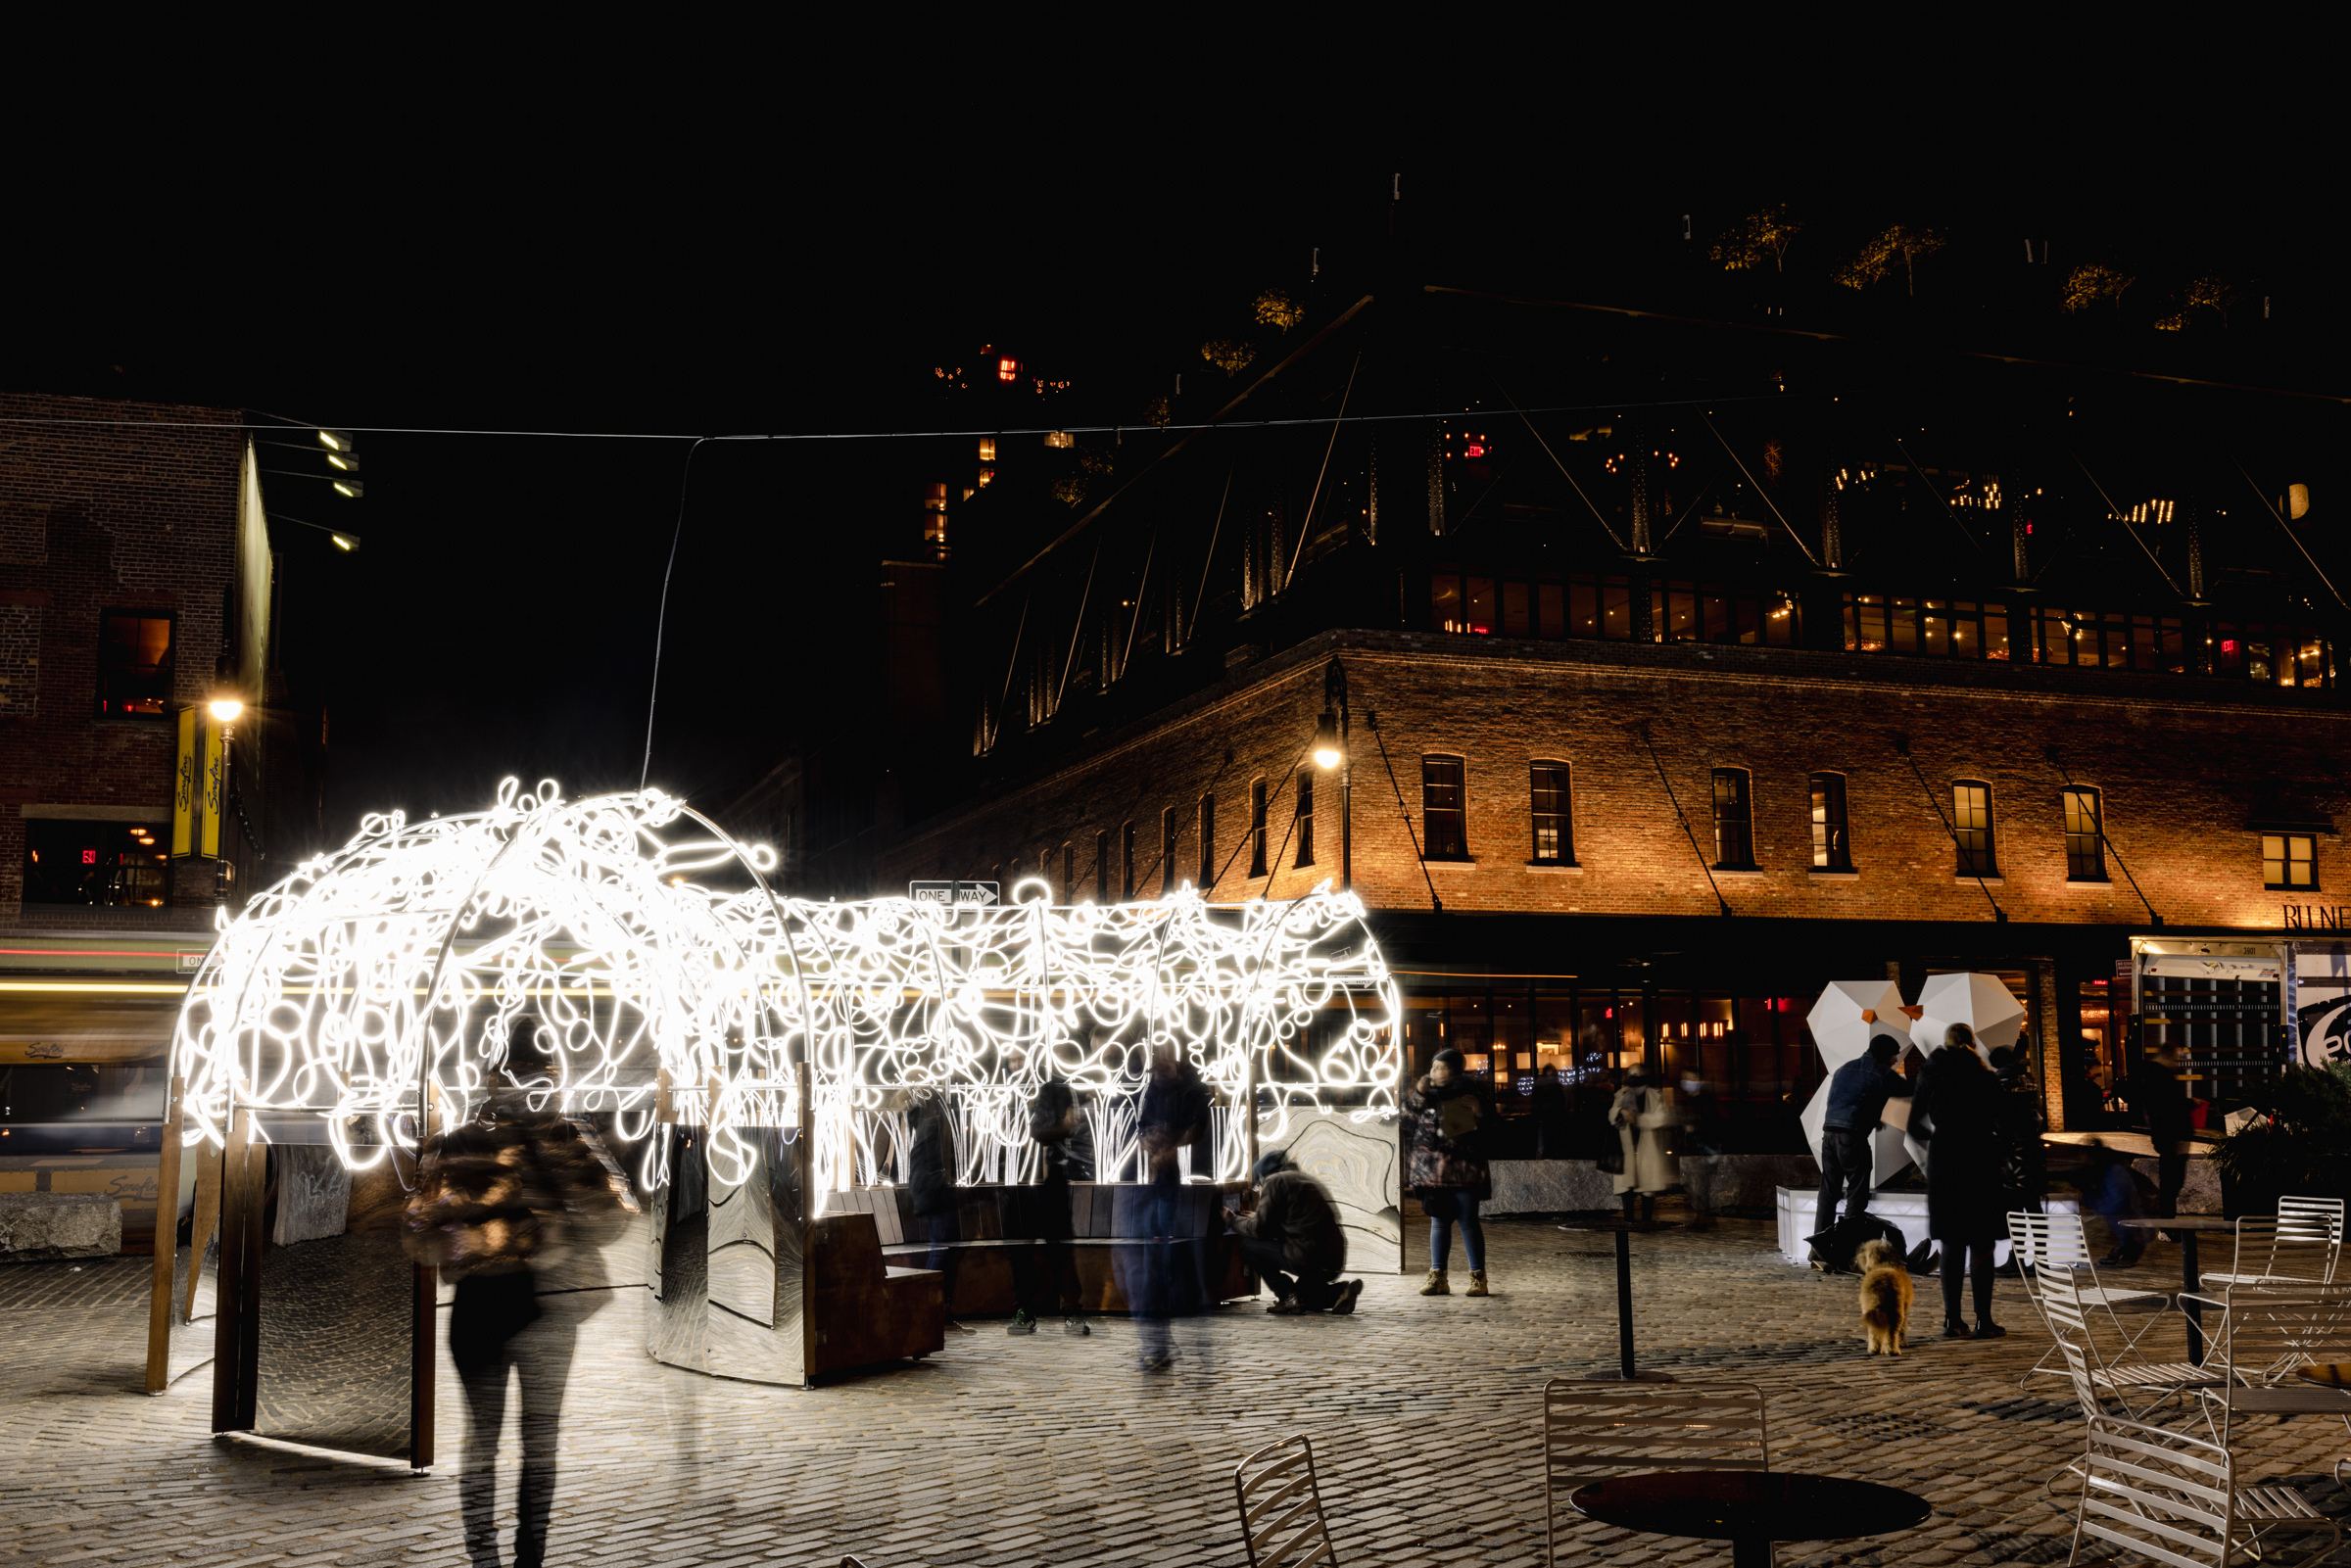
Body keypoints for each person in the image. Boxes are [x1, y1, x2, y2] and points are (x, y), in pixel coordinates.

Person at [405, 1019, 636, 1568]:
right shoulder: (566, 1136)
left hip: (481, 1306)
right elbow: (617, 1217)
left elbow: (416, 1230)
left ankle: (484, 1557)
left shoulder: (456, 1142)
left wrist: (469, 1240)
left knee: (483, 1436)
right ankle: (528, 1557)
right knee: (539, 1439)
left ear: (487, 1079)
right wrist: (555, 1218)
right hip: (547, 1304)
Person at [1907, 1022, 2008, 1339]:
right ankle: (1984, 1319)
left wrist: (1940, 1138)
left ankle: (1952, 1319)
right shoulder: (1986, 1078)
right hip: (1980, 1159)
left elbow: (1914, 1126)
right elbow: (2006, 1123)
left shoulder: (1931, 1075)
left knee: (1951, 1240)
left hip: (1945, 1160)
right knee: (1982, 1240)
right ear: (1972, 1044)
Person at [1133, 1041, 1211, 1370]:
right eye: (1154, 1067)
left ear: (1176, 1063)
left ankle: (1165, 1342)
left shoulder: (1192, 1090)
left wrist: (1172, 1146)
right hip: (1155, 1183)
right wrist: (1152, 1145)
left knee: (1166, 1260)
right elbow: (1142, 1126)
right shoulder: (1154, 1089)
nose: (1157, 1072)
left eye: (1162, 1066)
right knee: (1154, 1259)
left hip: (1177, 1184)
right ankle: (1160, 1342)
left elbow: (1198, 1128)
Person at [1404, 1046, 1493, 1297]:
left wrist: (1479, 1112)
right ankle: (1437, 1277)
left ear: (1455, 1070)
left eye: (1442, 1067)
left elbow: (1490, 1131)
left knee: (1468, 1222)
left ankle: (1478, 1278)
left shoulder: (1471, 1093)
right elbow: (1405, 1121)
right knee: (1439, 1223)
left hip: (1464, 1172)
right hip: (1433, 1174)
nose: (1435, 1071)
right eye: (1433, 1066)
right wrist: (1418, 1094)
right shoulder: (1426, 1094)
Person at [1225, 1150, 1360, 1314]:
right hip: (1333, 1261)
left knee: (1248, 1246)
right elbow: (1298, 1223)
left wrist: (1233, 1220)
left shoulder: (1274, 1181)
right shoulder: (1305, 1180)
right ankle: (1342, 1291)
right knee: (1306, 1299)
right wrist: (1258, 1217)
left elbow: (1259, 1229)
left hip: (1307, 1256)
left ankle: (1288, 1297)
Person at [1010, 1076, 1092, 1336]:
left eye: (1017, 1058)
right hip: (1016, 1177)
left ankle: (1069, 1309)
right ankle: (1027, 1310)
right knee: (1022, 1248)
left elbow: (1040, 1130)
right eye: (1011, 1060)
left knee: (1058, 1245)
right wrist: (1064, 1126)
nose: (1015, 1066)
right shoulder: (1009, 1091)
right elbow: (1047, 1130)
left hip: (1046, 1178)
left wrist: (1064, 1127)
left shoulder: (1052, 1088)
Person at [1817, 1034, 1906, 1232]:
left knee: (1828, 1192)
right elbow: (1909, 1089)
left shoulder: (1843, 1069)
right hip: (1852, 1138)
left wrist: (1871, 1119)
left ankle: (1818, 1248)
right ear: (1885, 1054)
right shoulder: (1881, 1072)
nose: (1896, 1060)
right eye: (1894, 1055)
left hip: (1829, 1135)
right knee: (1857, 1193)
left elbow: (1843, 1100)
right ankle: (1848, 1244)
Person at [906, 1087, 975, 1336]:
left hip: (937, 1194)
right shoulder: (930, 1127)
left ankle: (940, 1311)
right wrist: (943, 1180)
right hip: (936, 1195)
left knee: (947, 1252)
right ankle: (931, 1310)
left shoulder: (930, 1126)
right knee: (943, 1253)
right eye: (937, 1101)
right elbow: (927, 1163)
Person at [2134, 1038, 2193, 1225]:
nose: (2177, 1064)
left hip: (2167, 1135)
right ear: (2168, 1057)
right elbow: (2169, 1106)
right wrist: (2191, 1103)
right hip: (2171, 1136)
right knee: (2172, 1181)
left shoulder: (2154, 1075)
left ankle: (2168, 1224)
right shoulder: (2161, 1076)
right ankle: (2167, 1225)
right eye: (2176, 1059)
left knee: (2171, 1181)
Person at [1610, 1067, 1680, 1223]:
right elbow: (1612, 1114)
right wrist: (1621, 1111)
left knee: (1647, 1185)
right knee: (1627, 1185)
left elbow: (1662, 1117)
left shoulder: (1654, 1095)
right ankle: (1629, 1221)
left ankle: (1646, 1222)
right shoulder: (1621, 1095)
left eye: (1637, 1074)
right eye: (1630, 1074)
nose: (1633, 1077)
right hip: (1626, 1146)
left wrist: (1639, 1119)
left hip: (1647, 1144)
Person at [1989, 1044, 2048, 1218]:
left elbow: (1998, 1116)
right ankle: (2040, 1243)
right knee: (2033, 1202)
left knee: (2014, 1203)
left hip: (2012, 1150)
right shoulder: (2028, 1078)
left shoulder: (2000, 1081)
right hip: (2032, 1147)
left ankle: (2018, 1245)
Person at [1530, 1066, 1572, 1159]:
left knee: (1546, 1140)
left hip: (1550, 1116)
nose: (1550, 1074)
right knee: (1548, 1139)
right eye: (1548, 1071)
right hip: (1551, 1116)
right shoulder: (1556, 1085)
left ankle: (1546, 1155)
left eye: (1551, 1072)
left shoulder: (1548, 1085)